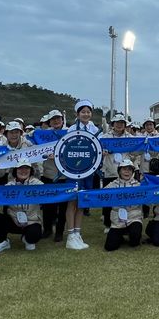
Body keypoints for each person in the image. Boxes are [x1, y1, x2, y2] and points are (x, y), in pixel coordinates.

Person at [64, 100, 101, 250]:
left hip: (89, 170)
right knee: (72, 201)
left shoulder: (95, 129)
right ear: (77, 114)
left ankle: (78, 233)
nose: (86, 114)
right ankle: (70, 235)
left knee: (82, 201)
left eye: (88, 111)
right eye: (83, 112)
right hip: (73, 170)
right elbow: (65, 148)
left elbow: (99, 147)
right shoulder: (71, 129)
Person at [0, 162, 44, 254]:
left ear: (31, 170)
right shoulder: (9, 186)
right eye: (20, 168)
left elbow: (50, 193)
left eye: (27, 168)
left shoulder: (38, 184)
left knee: (33, 237)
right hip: (14, 220)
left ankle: (26, 238)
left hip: (31, 221)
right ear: (15, 170)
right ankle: (3, 242)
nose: (23, 171)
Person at [40, 110, 68, 242]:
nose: (56, 121)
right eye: (53, 119)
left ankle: (60, 232)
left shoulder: (70, 132)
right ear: (49, 122)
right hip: (48, 174)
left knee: (63, 207)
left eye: (58, 118)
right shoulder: (44, 135)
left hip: (65, 175)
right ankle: (47, 230)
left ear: (62, 120)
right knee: (47, 205)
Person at [104, 159, 143, 251]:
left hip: (134, 218)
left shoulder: (139, 186)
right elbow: (100, 195)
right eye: (124, 169)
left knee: (134, 241)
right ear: (119, 171)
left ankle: (133, 234)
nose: (127, 172)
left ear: (133, 172)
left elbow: (149, 196)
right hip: (117, 220)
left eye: (129, 169)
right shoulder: (112, 185)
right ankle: (120, 236)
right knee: (109, 247)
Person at [101, 113, 130, 233]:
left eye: (122, 123)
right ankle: (108, 223)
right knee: (109, 198)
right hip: (110, 171)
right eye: (117, 123)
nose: (119, 125)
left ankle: (126, 222)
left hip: (126, 172)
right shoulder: (104, 137)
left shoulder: (130, 138)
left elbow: (136, 153)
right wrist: (102, 152)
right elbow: (98, 150)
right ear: (112, 124)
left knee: (125, 199)